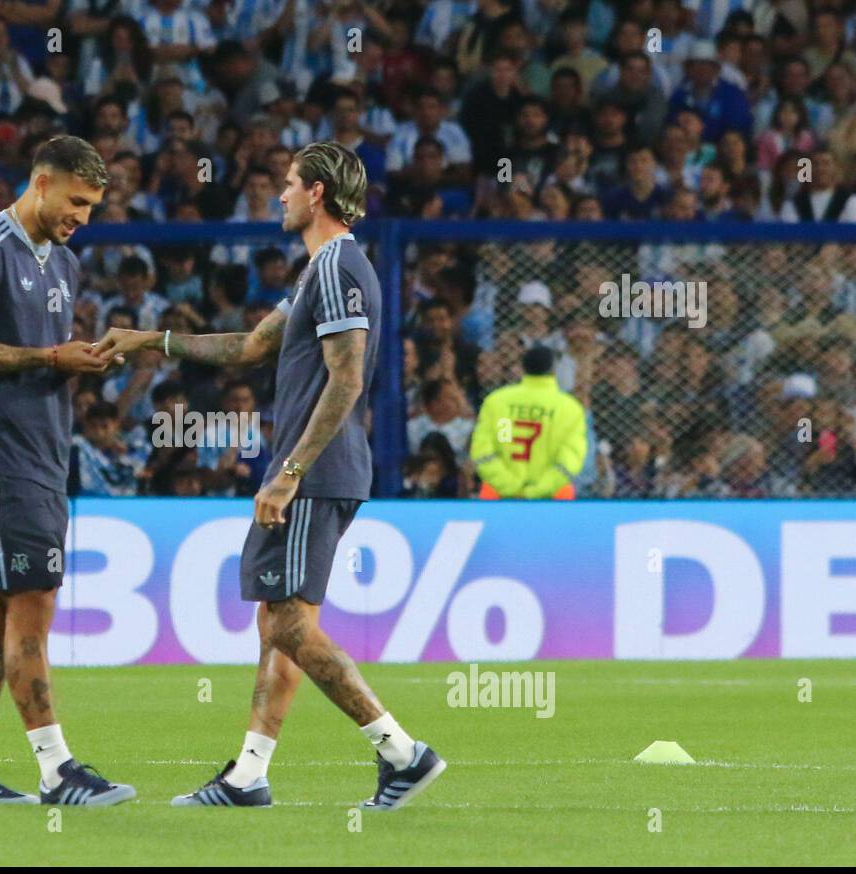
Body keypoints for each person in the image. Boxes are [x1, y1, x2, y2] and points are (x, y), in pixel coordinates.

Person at [94, 142, 447, 810]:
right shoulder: (319, 270)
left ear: (316, 193)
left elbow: (346, 378)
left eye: (287, 185)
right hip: (321, 470)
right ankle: (249, 776)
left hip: (317, 472)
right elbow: (249, 347)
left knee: (287, 623)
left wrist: (288, 472)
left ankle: (402, 752)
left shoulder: (340, 264)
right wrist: (149, 340)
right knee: (279, 620)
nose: (277, 196)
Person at [0, 135, 135, 807]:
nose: (82, 215)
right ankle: (57, 769)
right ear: (40, 182)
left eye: (92, 206)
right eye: (76, 200)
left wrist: (79, 360)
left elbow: (49, 355)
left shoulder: (65, 263)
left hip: (43, 456)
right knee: (33, 605)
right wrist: (52, 359)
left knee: (2, 611)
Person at [469, 345, 587, 500]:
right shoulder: (569, 408)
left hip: (499, 497)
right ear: (553, 370)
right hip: (553, 498)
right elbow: (570, 459)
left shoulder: (499, 401)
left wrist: (510, 486)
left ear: (522, 368)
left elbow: (485, 451)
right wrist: (536, 491)